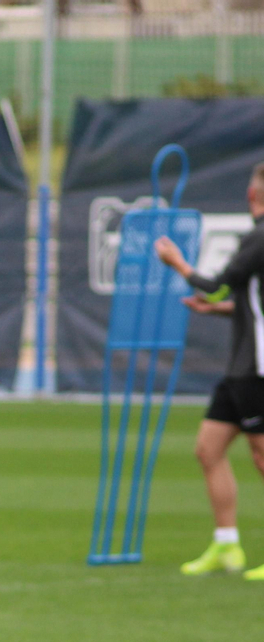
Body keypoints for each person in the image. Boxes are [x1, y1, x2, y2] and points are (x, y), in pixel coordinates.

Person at [155, 161, 264, 578]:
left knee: (261, 456)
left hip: (257, 367)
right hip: (241, 367)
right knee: (208, 449)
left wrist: (178, 264)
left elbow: (218, 286)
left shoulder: (260, 236)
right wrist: (217, 310)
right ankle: (226, 545)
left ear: (251, 195)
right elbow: (248, 303)